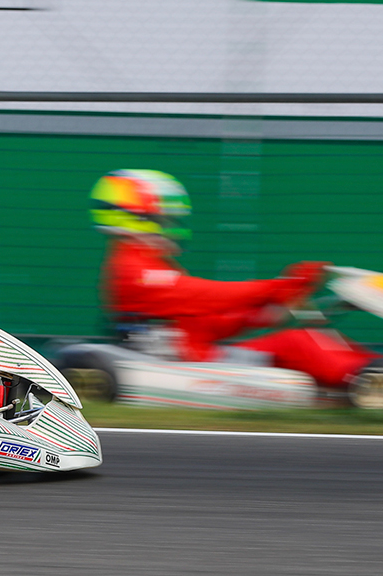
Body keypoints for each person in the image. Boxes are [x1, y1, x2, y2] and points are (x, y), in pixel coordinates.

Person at [89, 169, 383, 403]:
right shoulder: (134, 271)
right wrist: (279, 287)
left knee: (312, 338)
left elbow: (203, 326)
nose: (172, 226)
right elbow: (208, 296)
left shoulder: (151, 266)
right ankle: (366, 380)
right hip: (187, 364)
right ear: (140, 218)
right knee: (296, 342)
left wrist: (263, 314)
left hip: (198, 354)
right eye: (166, 218)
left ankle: (370, 369)